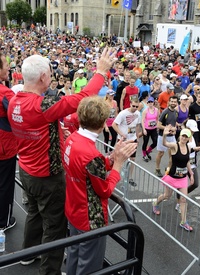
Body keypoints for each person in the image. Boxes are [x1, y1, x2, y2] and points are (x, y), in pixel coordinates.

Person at [8, 48, 116, 273]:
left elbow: (36, 128)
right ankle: (49, 271)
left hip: (26, 170)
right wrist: (101, 71)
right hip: (46, 177)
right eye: (49, 73)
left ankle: (28, 254)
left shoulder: (14, 100)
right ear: (43, 77)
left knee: (34, 213)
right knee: (55, 229)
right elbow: (81, 98)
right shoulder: (41, 106)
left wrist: (57, 135)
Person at [64, 96, 137, 275]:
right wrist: (118, 164)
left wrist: (111, 158)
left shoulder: (73, 138)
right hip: (89, 217)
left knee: (73, 254)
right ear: (103, 122)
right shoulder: (90, 152)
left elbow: (87, 167)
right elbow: (105, 190)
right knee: (89, 265)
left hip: (73, 209)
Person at [152, 127, 194, 232]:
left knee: (183, 199)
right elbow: (165, 144)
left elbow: (187, 161)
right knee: (167, 196)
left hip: (183, 177)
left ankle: (183, 222)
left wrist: (191, 174)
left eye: (186, 136)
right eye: (183, 136)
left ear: (188, 138)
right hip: (172, 177)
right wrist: (165, 135)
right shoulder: (175, 146)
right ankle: (155, 203)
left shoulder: (188, 147)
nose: (184, 138)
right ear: (180, 136)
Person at [0, 53, 17, 231]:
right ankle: (3, 222)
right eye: (5, 64)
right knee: (5, 185)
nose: (8, 67)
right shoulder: (5, 93)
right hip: (4, 147)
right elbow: (19, 115)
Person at [112, 98, 142, 187]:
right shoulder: (123, 113)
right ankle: (116, 176)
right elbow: (114, 125)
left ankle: (129, 177)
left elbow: (137, 126)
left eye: (137, 106)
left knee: (132, 159)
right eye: (133, 106)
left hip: (132, 139)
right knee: (121, 158)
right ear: (130, 104)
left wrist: (137, 136)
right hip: (123, 140)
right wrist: (121, 134)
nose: (135, 108)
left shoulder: (137, 113)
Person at [155, 95, 178, 177]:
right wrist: (167, 129)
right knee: (161, 153)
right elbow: (158, 125)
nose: (173, 103)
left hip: (171, 137)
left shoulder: (176, 112)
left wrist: (174, 129)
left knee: (173, 154)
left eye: (175, 102)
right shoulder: (165, 112)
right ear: (169, 102)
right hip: (163, 136)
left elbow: (174, 123)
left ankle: (168, 169)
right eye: (172, 101)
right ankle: (157, 169)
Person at [141, 96, 159, 162]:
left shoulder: (156, 110)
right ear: (147, 103)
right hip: (147, 128)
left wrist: (157, 126)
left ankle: (148, 152)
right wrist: (143, 129)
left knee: (155, 142)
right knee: (145, 142)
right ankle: (144, 155)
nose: (150, 103)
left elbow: (157, 119)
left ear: (153, 102)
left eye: (151, 102)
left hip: (153, 128)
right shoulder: (145, 111)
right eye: (149, 102)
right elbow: (142, 120)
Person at [103, 89, 118, 153]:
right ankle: (106, 151)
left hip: (113, 123)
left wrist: (117, 122)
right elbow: (103, 116)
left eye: (113, 95)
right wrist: (105, 126)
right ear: (107, 95)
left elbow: (116, 113)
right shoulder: (104, 103)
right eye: (111, 95)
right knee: (106, 138)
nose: (112, 96)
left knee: (114, 137)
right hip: (106, 123)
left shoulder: (115, 102)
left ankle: (110, 150)